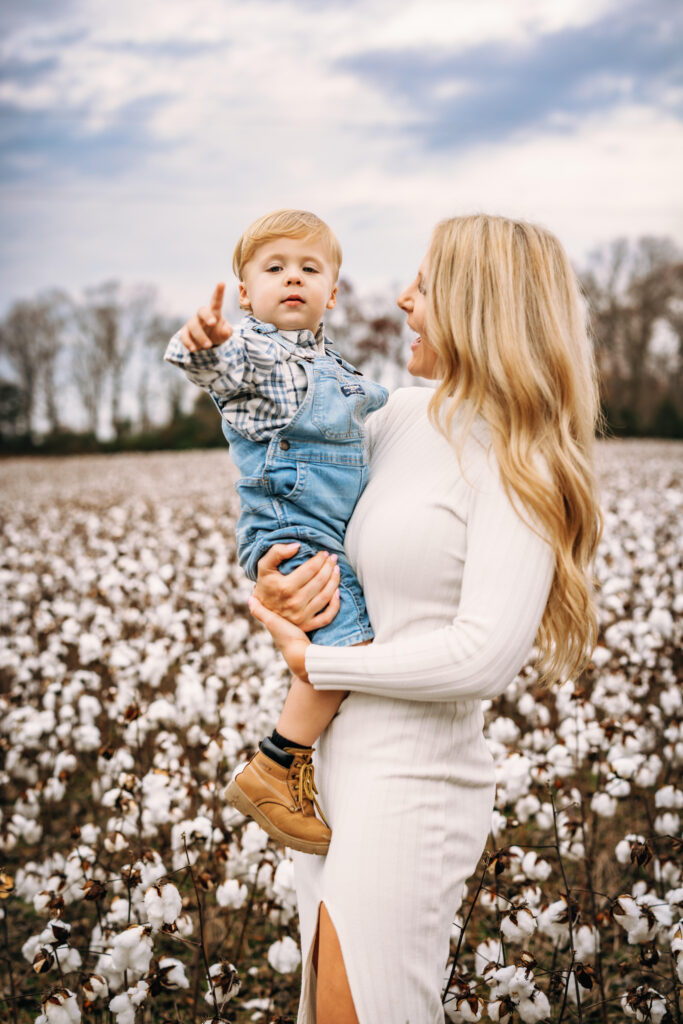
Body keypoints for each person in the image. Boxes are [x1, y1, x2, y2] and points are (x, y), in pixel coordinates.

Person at [246, 214, 603, 1023]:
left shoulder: (522, 460)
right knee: (326, 1009)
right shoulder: (396, 418)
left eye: (425, 285)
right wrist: (274, 586)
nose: (404, 299)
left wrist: (321, 666)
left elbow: (482, 655)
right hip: (329, 772)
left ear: (479, 306)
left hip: (414, 781)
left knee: (364, 1009)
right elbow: (299, 511)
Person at [164, 209, 388, 856]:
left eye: (309, 269)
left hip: (322, 530)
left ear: (333, 293)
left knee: (349, 641)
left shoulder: (335, 365)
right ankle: (275, 764)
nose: (292, 278)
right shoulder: (257, 355)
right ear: (243, 293)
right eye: (274, 268)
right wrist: (206, 344)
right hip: (293, 532)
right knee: (348, 644)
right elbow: (220, 369)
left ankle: (297, 764)